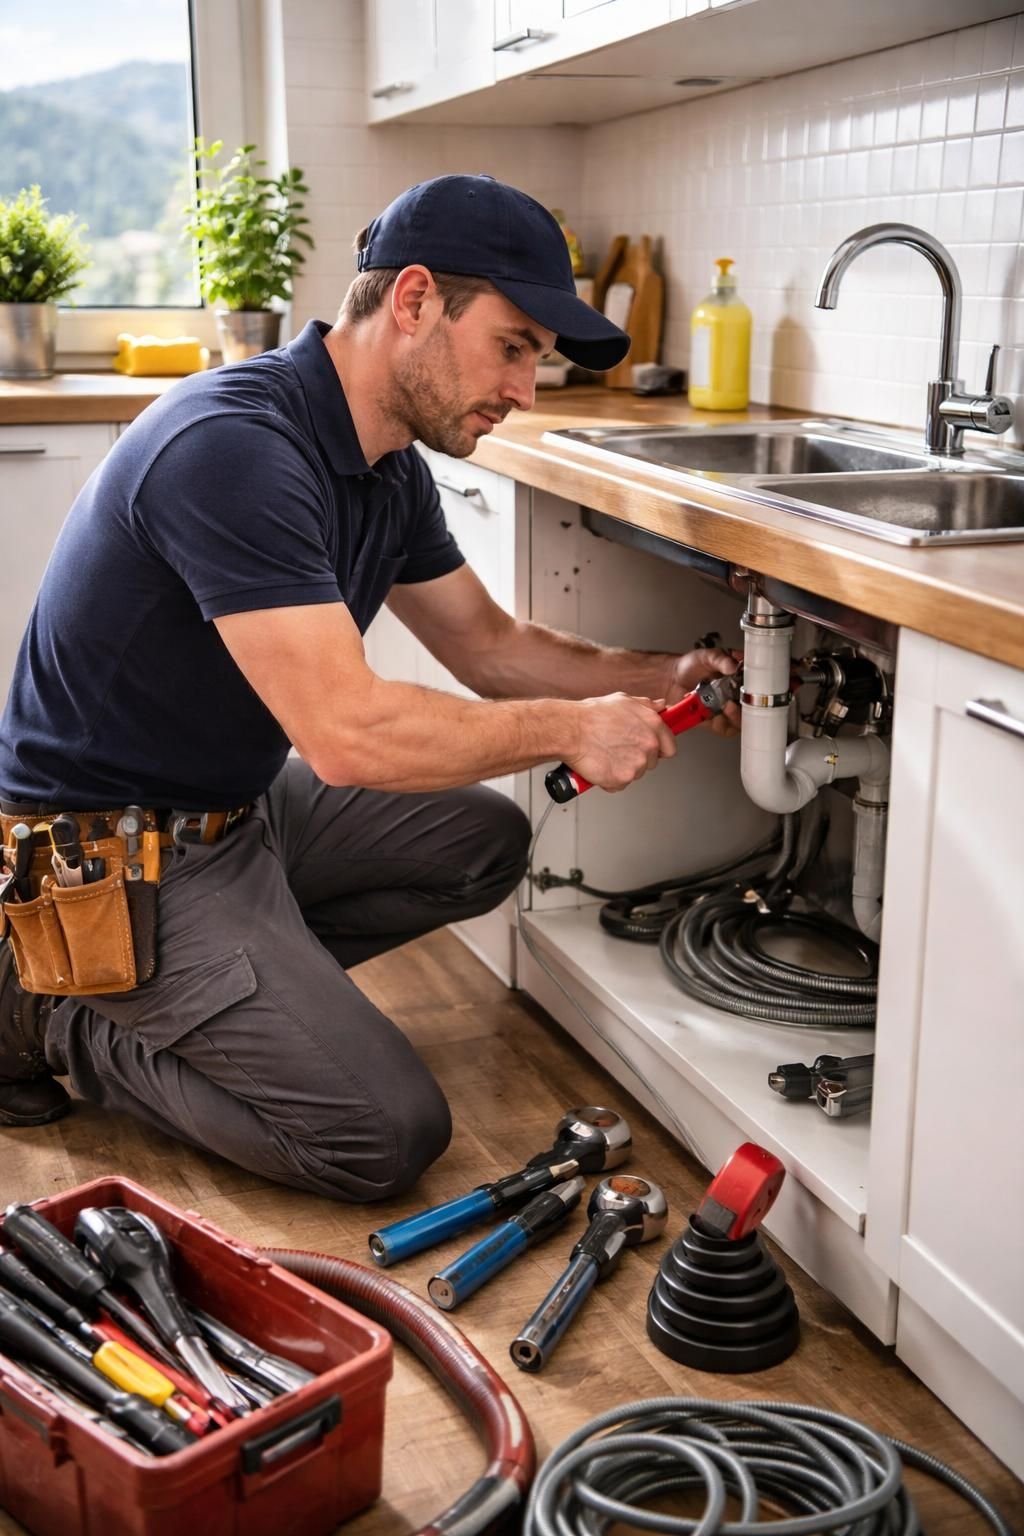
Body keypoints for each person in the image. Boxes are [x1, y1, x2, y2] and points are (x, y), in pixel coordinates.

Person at [0, 174, 738, 1201]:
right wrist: (571, 728)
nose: (527, 389)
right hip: (112, 851)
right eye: (515, 345)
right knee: (380, 1135)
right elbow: (348, 735)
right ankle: (63, 1009)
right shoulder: (233, 449)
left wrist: (660, 676)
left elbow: (487, 645)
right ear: (414, 301)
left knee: (484, 841)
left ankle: (224, 989)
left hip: (234, 811)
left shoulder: (385, 465)